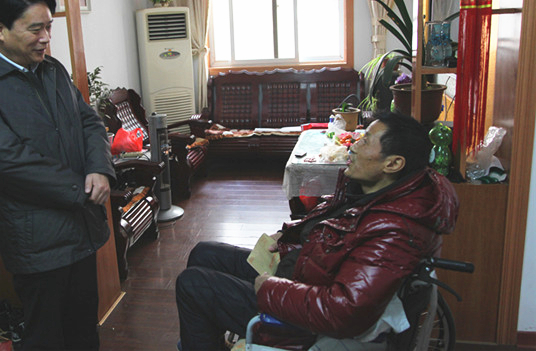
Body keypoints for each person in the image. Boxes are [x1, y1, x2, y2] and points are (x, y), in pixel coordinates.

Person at [175, 112, 459, 350]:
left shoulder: (394, 230)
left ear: (393, 163)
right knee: (204, 253)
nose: (353, 146)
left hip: (306, 318)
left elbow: (344, 311)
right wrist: (289, 234)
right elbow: (329, 225)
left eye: (365, 141)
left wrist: (271, 288)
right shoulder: (373, 192)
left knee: (193, 284)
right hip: (307, 270)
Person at [0, 0, 116, 351]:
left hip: (81, 228)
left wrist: (99, 168)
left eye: (49, 27)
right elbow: (8, 162)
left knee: (84, 330)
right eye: (35, 29)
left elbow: (88, 121)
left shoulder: (51, 69)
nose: (46, 38)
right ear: (0, 29)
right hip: (37, 241)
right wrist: (82, 190)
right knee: (47, 338)